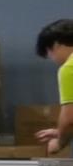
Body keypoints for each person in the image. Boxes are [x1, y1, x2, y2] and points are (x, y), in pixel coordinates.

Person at [34, 19, 73, 153]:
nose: (52, 59)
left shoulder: (69, 68)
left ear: (56, 44)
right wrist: (60, 132)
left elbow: (70, 119)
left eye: (49, 53)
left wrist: (59, 143)